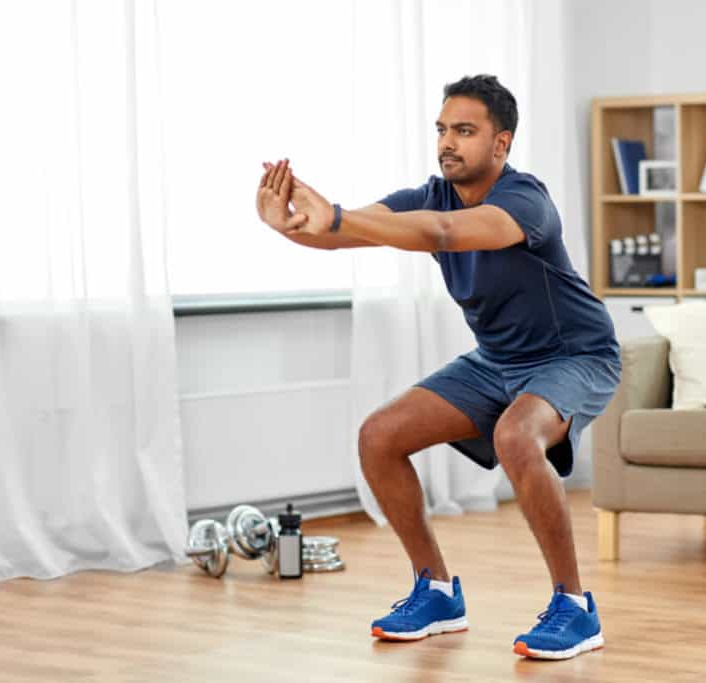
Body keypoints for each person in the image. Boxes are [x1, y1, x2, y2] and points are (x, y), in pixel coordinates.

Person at [255, 74, 620, 661]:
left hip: (574, 355)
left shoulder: (526, 200)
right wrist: (292, 226)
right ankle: (436, 591)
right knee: (379, 436)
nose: (448, 142)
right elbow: (345, 233)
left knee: (516, 437)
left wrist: (339, 215)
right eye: (442, 129)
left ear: (500, 145)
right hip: (496, 361)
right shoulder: (430, 195)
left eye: (465, 131)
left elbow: (447, 235)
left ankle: (574, 608)